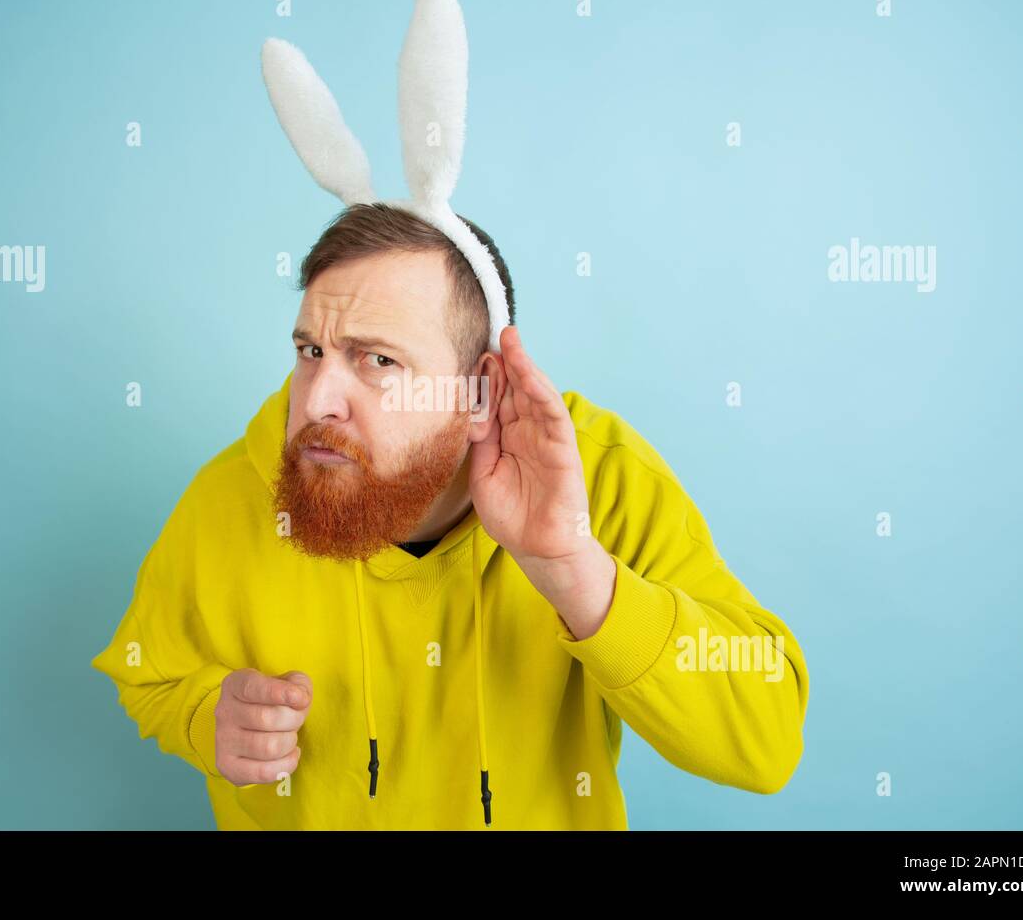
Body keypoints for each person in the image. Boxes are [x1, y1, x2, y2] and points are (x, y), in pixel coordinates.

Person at [90, 202, 810, 829]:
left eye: (376, 361)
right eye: (311, 351)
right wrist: (201, 716)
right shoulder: (235, 496)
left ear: (479, 391)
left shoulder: (599, 481)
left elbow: (767, 737)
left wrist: (573, 570)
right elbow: (145, 672)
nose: (314, 403)